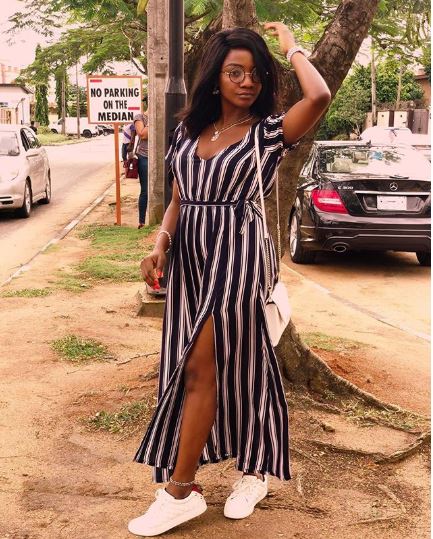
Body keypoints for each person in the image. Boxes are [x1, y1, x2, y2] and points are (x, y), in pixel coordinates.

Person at [129, 22, 331, 537]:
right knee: (239, 365)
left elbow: (319, 95)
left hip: (239, 255)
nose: (246, 82)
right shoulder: (187, 131)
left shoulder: (268, 133)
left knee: (200, 365)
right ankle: (255, 470)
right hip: (190, 259)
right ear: (214, 78)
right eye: (234, 72)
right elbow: (180, 196)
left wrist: (292, 48)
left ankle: (180, 492)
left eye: (255, 73)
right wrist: (160, 243)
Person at [134, 97, 149, 229]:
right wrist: (152, 120)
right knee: (145, 190)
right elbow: (143, 134)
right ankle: (142, 221)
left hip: (161, 156)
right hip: (144, 157)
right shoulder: (140, 118)